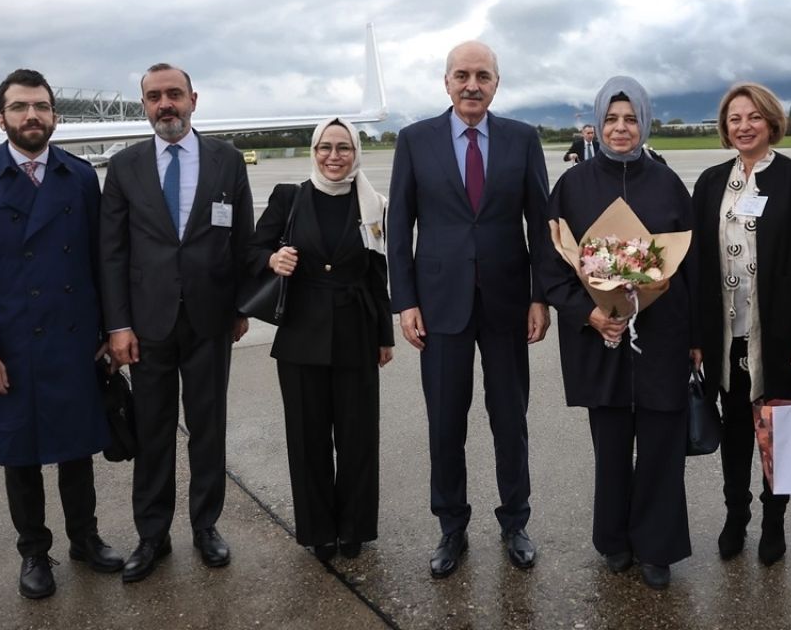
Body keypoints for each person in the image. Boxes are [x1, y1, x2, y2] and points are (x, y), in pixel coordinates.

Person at [0, 69, 124, 599]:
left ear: (55, 116)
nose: (32, 116)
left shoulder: (78, 176)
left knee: (77, 451)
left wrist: (106, 330)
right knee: (20, 455)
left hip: (72, 341)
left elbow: (98, 262)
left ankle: (84, 539)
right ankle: (33, 552)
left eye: (41, 107)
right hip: (11, 346)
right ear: (0, 117)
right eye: (20, 107)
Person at [386, 40, 551, 579]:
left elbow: (541, 225)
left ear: (497, 83)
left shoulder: (523, 140)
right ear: (446, 82)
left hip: (507, 304)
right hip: (439, 306)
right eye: (462, 75)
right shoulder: (414, 141)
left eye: (482, 75)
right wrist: (405, 300)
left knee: (510, 419)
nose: (472, 84)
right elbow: (399, 228)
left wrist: (539, 296)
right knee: (445, 423)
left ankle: (515, 522)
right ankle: (450, 526)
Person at [540, 76, 699, 590]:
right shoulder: (572, 185)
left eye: (631, 119)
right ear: (597, 123)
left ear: (645, 122)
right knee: (610, 446)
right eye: (612, 118)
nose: (621, 128)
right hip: (600, 338)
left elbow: (690, 266)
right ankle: (614, 538)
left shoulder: (668, 183)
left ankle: (657, 546)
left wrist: (693, 334)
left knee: (660, 446)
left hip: (663, 336)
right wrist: (589, 312)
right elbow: (552, 266)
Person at [99, 63, 254, 583]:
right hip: (148, 325)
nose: (165, 104)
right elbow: (113, 253)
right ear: (144, 105)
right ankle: (152, 535)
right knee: (154, 430)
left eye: (174, 94)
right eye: (154, 97)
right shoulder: (124, 167)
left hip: (211, 320)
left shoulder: (227, 160)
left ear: (193, 98)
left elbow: (244, 240)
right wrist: (118, 325)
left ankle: (206, 526)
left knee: (208, 429)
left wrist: (240, 309)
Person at [692, 82, 791, 565]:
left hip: (779, 337)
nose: (744, 126)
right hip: (725, 337)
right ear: (724, 127)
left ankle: (775, 521)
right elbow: (695, 268)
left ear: (771, 121)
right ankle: (737, 516)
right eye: (734, 119)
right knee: (734, 434)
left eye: (753, 117)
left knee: (779, 434)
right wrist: (696, 338)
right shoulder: (711, 182)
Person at [247, 117, 393, 567]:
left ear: (356, 153)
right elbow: (251, 251)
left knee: (357, 438)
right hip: (301, 337)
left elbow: (378, 274)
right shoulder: (289, 197)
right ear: (314, 151)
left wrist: (385, 337)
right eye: (325, 147)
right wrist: (273, 257)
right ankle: (319, 530)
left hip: (356, 332)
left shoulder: (371, 204)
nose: (334, 156)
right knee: (307, 438)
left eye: (344, 148)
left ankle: (354, 528)